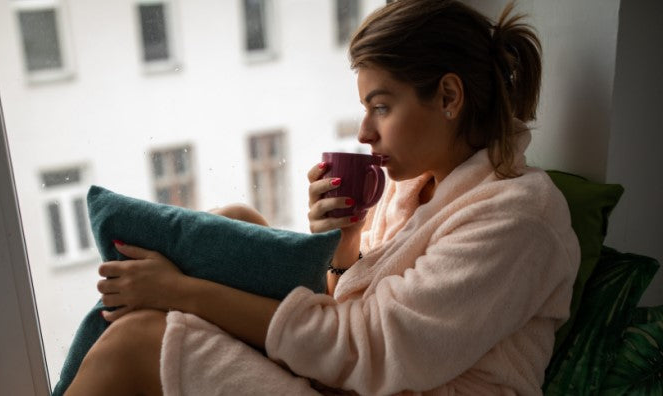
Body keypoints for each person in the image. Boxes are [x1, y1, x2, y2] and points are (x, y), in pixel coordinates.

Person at [65, 0, 579, 394]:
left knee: (138, 341)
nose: (364, 132)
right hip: (359, 379)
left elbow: (366, 348)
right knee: (239, 218)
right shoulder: (417, 188)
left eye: (381, 107)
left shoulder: (519, 218)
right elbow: (351, 304)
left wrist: (178, 293)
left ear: (448, 97)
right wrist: (345, 242)